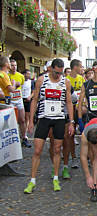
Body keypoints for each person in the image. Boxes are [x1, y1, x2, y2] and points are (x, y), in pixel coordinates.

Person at [24, 58, 75, 194]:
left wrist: (71, 122)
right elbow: (35, 100)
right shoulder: (42, 80)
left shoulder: (66, 82)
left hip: (59, 119)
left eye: (60, 73)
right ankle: (32, 181)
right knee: (37, 150)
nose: (58, 75)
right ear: (51, 69)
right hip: (44, 118)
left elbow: (69, 102)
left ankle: (56, 178)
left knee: (57, 149)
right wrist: (30, 121)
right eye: (56, 72)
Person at [8, 59, 31, 148]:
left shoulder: (21, 76)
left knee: (22, 120)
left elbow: (22, 87)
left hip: (18, 100)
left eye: (15, 65)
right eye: (12, 65)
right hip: (10, 100)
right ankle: (11, 140)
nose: (14, 67)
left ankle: (24, 138)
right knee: (11, 121)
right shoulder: (6, 75)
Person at [21, 69, 35, 140]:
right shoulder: (20, 80)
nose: (29, 75)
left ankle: (25, 133)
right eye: (28, 74)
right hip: (20, 99)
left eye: (30, 74)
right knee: (21, 118)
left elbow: (33, 91)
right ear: (24, 74)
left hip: (28, 100)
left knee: (27, 117)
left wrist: (30, 97)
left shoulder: (31, 82)